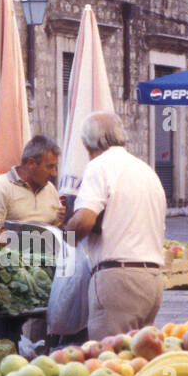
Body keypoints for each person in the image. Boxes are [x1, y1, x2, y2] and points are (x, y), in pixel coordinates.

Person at [67, 111, 167, 339]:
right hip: (152, 279)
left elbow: (84, 221)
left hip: (117, 280)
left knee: (108, 363)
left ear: (85, 143)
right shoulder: (146, 170)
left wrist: (66, 238)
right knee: (138, 362)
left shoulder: (99, 167)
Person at [0, 134, 63, 246]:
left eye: (55, 167)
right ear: (31, 163)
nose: (54, 173)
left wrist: (64, 221)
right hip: (10, 261)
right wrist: (25, 243)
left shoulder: (50, 188)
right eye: (50, 167)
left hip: (47, 259)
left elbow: (56, 229)